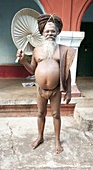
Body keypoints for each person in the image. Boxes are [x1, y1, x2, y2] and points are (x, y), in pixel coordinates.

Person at [16, 14, 76, 154]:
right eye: (47, 31)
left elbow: (67, 71)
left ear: (57, 32)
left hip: (55, 90)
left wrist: (68, 91)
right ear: (42, 33)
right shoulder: (36, 50)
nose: (50, 33)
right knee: (40, 113)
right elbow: (32, 70)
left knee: (56, 115)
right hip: (40, 89)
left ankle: (57, 140)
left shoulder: (63, 50)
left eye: (53, 31)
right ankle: (40, 137)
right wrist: (24, 60)